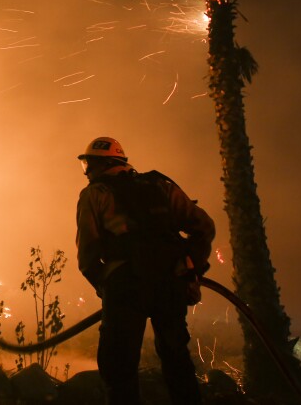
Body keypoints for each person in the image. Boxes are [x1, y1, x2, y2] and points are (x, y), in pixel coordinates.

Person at [75, 137, 216, 405]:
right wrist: (191, 269)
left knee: (119, 367)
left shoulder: (95, 194)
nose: (87, 172)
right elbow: (204, 227)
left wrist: (106, 287)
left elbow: (87, 256)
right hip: (170, 284)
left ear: (103, 163)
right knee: (177, 361)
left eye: (88, 165)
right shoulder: (160, 185)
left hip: (125, 288)